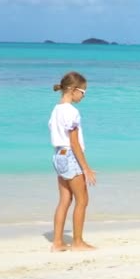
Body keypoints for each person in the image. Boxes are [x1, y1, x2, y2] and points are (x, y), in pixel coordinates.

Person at [48, 71, 97, 251]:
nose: (84, 96)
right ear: (73, 90)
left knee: (64, 200)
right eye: (83, 92)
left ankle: (58, 242)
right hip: (70, 156)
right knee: (82, 200)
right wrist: (86, 168)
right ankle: (77, 242)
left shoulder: (56, 109)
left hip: (58, 155)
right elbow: (74, 143)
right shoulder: (72, 112)